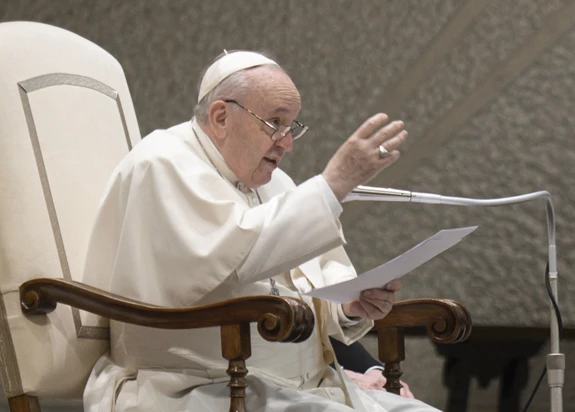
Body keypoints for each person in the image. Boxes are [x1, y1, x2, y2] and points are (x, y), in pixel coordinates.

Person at [81, 50, 437, 411]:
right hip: (198, 386)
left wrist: (349, 305)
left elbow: (308, 282)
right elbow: (239, 258)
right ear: (220, 116)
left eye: (292, 126)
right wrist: (335, 183)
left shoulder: (273, 181)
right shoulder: (161, 163)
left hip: (302, 386)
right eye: (275, 122)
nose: (287, 142)